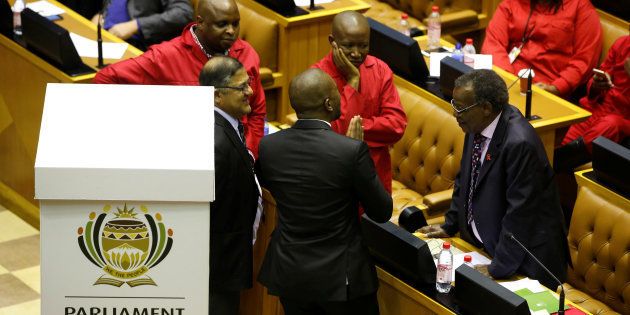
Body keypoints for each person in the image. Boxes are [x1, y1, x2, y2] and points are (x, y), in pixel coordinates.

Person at [256, 68, 392, 315]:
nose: (342, 96)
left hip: (290, 273)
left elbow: (273, 185)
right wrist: (359, 153)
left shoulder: (268, 147)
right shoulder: (350, 152)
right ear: (329, 103)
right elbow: (382, 211)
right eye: (338, 93)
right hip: (340, 279)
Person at [419, 69, 568, 290]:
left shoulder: (519, 143)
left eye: (461, 108)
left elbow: (521, 214)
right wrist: (451, 225)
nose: (455, 113)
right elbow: (466, 179)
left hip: (527, 259)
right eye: (454, 104)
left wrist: (497, 268)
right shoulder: (475, 123)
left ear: (486, 108)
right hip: (489, 245)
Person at [94, 0, 265, 157]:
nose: (231, 31)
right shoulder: (165, 56)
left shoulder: (247, 54)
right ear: (200, 22)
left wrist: (249, 153)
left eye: (235, 24)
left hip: (238, 153)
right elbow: (105, 79)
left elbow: (257, 111)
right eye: (222, 24)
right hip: (188, 154)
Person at [312, 10, 407, 194]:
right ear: (333, 42)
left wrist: (357, 128)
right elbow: (331, 134)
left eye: (363, 45)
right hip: (335, 179)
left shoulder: (380, 70)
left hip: (375, 177)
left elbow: (397, 126)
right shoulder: (317, 78)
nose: (356, 54)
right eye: (348, 46)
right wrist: (353, 82)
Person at [199, 56, 260, 315]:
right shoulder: (215, 141)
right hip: (218, 262)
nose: (250, 91)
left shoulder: (224, 127)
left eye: (248, 84)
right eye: (242, 87)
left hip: (225, 258)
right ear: (216, 96)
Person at [481, 0, 602, 98]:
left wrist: (557, 88)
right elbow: (493, 43)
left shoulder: (581, 8)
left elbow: (584, 59)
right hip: (507, 80)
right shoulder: (512, 3)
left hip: (547, 89)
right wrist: (508, 81)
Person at [555, 35, 630, 171]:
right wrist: (596, 84)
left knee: (611, 124)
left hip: (622, 122)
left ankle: (553, 162)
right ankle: (552, 162)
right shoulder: (623, 43)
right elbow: (599, 77)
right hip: (597, 108)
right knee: (564, 138)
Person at [91, 0, 193, 50]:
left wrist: (136, 25)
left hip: (136, 45)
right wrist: (102, 14)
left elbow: (183, 13)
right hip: (101, 36)